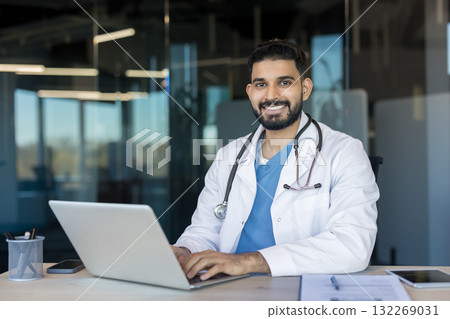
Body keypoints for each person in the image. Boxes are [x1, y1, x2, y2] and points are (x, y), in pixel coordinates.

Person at [172, 39, 379, 280]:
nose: (271, 95)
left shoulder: (344, 153)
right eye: (261, 84)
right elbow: (204, 231)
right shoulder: (228, 156)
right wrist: (184, 251)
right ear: (250, 93)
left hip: (298, 289)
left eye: (284, 82)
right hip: (226, 288)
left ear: (305, 88)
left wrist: (250, 261)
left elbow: (353, 246)